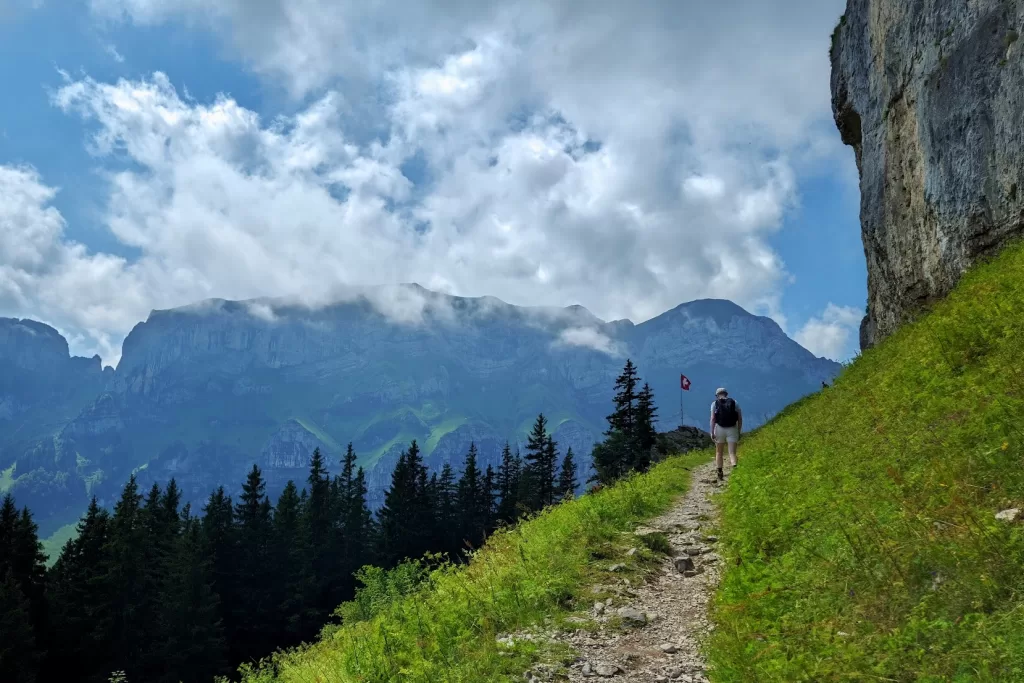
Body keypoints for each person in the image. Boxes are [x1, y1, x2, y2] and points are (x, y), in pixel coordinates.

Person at [710, 387, 742, 482]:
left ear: (717, 395)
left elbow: (712, 419)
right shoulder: (735, 402)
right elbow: (740, 419)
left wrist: (712, 432)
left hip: (719, 429)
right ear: (726, 394)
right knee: (732, 452)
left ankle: (720, 472)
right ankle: (735, 469)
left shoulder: (714, 403)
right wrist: (738, 431)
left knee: (719, 452)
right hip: (732, 429)